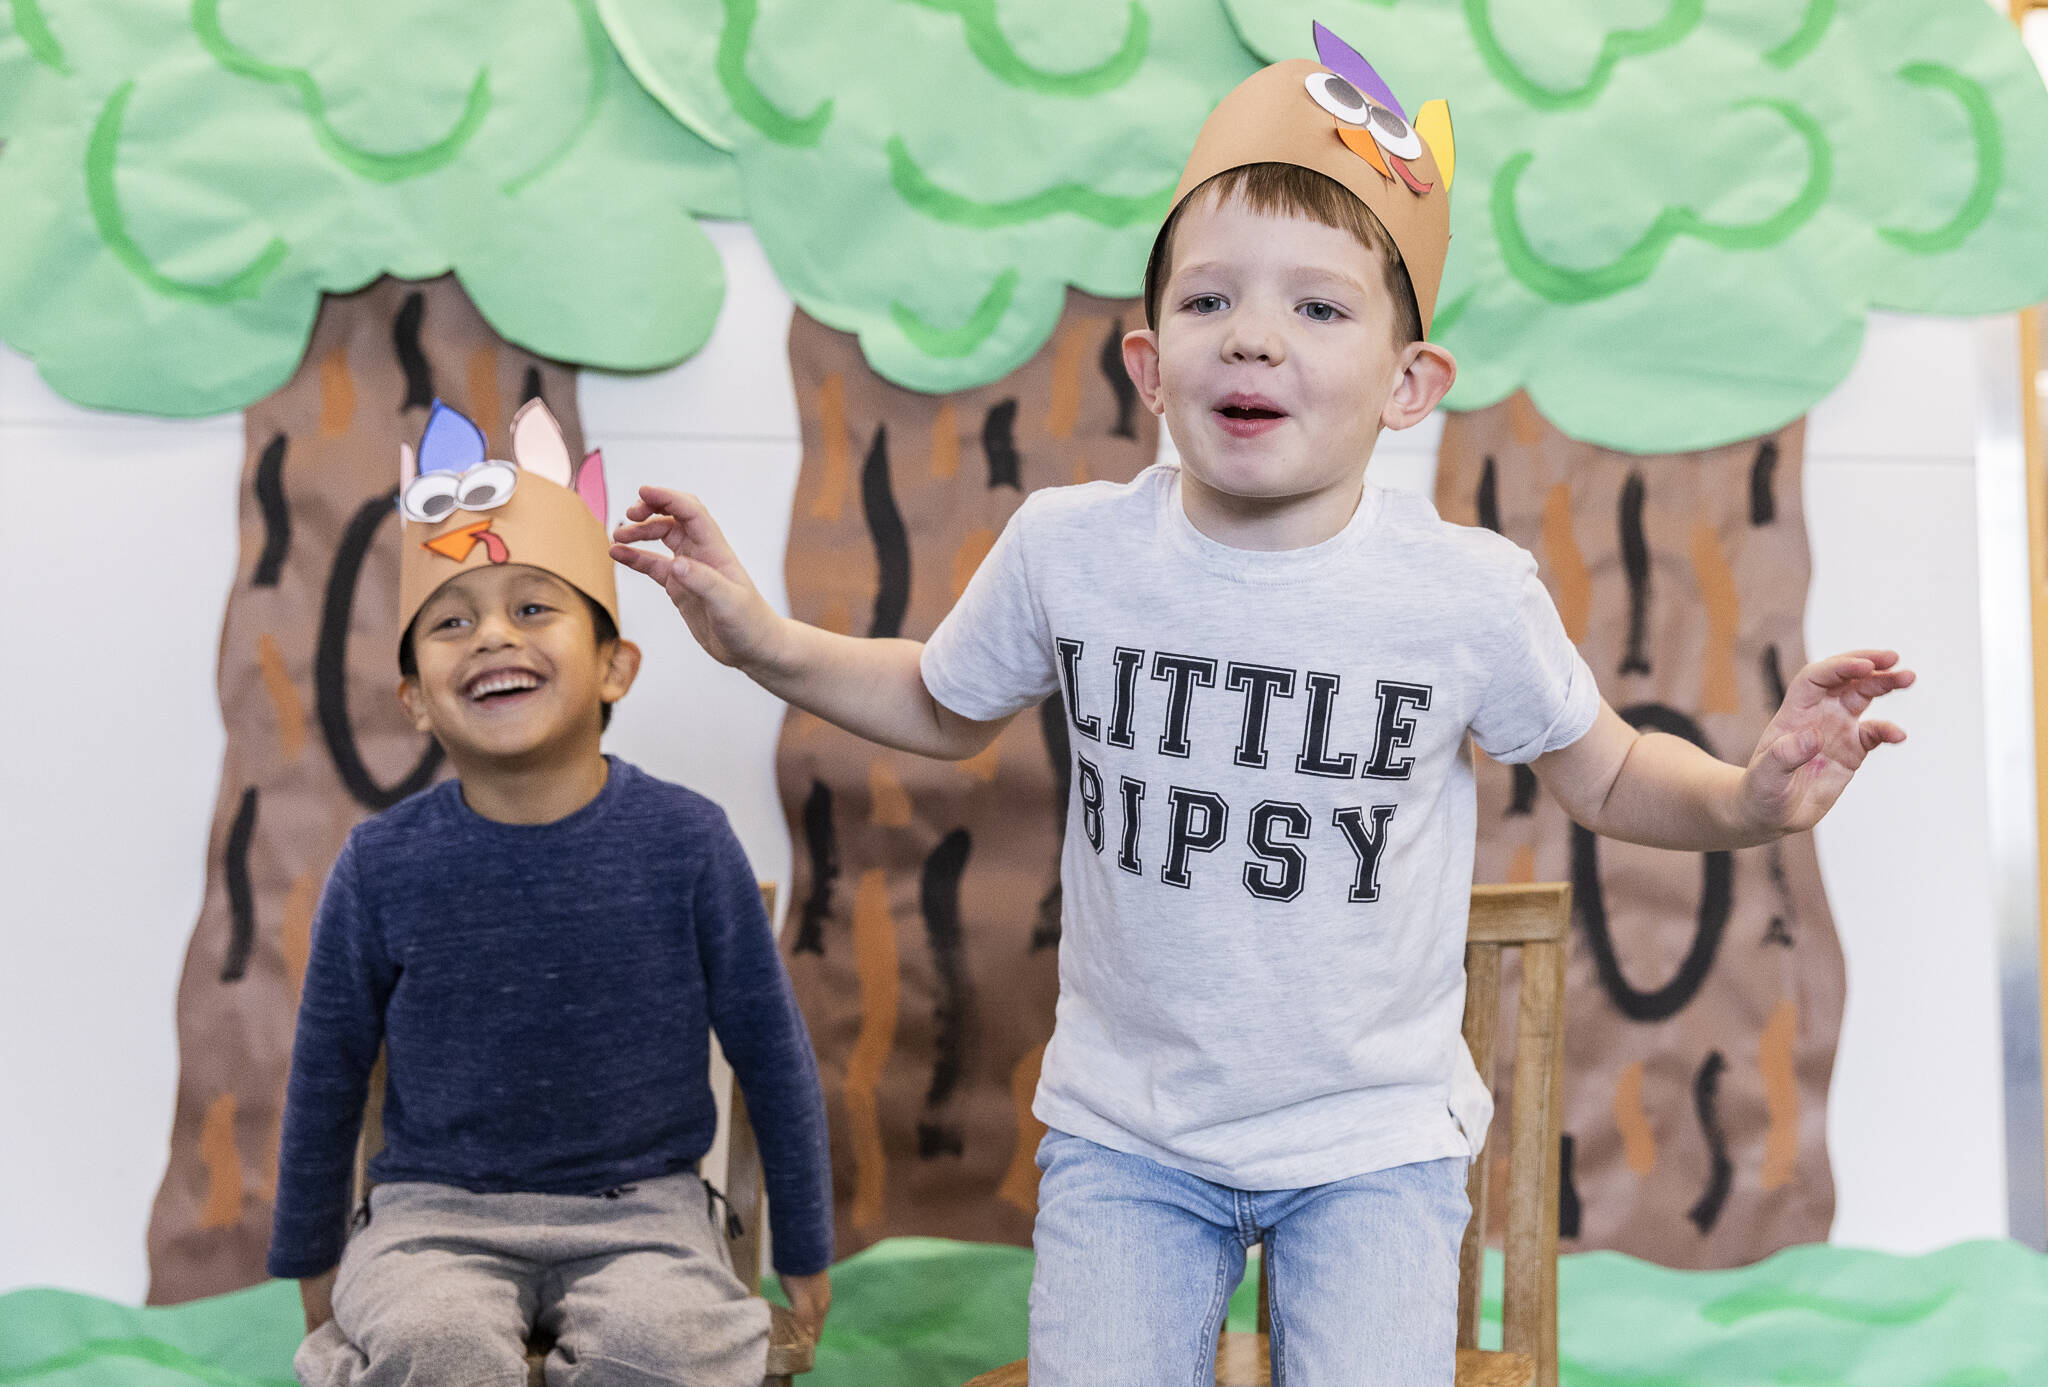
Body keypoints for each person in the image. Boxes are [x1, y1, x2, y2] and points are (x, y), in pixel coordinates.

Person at [611, 25, 1910, 1386]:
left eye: (1320, 308)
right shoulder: (1071, 549)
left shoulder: (1464, 592)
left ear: (1411, 386)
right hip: (1128, 1136)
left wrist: (1753, 798)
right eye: (1210, 301)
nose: (1254, 336)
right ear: (1147, 363)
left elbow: (1611, 772)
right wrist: (757, 637)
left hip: (1373, 1145)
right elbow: (939, 700)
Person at [270, 398, 833, 1387]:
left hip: (645, 1214)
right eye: (450, 622)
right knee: (432, 1341)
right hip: (429, 1218)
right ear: (414, 698)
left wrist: (806, 1248)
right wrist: (311, 1261)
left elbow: (771, 1059)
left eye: (534, 607)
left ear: (616, 664)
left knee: (663, 1345)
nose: (491, 636)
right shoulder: (379, 864)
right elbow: (324, 1075)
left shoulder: (688, 842)